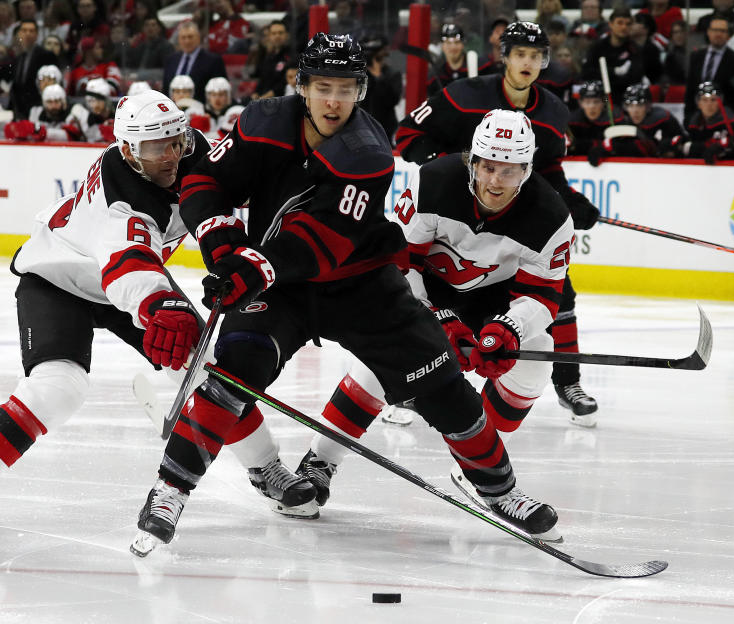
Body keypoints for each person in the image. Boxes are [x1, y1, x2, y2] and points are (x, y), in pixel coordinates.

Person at [130, 34, 562, 556]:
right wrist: (223, 245)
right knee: (234, 370)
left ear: (360, 92)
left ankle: (500, 490)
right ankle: (169, 491)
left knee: (444, 383)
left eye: (345, 89)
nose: (333, 101)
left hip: (359, 283)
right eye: (322, 87)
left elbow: (327, 240)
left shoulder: (368, 151)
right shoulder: (262, 121)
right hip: (279, 287)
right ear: (303, 87)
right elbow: (206, 182)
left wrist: (256, 264)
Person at [0, 90, 211, 534]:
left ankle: (267, 469)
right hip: (60, 277)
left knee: (213, 371)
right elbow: (126, 264)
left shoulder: (194, 157)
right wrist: (159, 305)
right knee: (59, 387)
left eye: (176, 140)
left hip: (121, 280)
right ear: (129, 150)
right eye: (155, 146)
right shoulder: (122, 196)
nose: (170, 154)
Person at [292, 109, 573, 529]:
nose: (496, 181)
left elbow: (543, 296)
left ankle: (477, 467)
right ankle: (319, 461)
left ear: (528, 169)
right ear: (471, 161)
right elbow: (399, 264)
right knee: (381, 357)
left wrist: (507, 329)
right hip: (420, 293)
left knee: (538, 354)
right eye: (488, 166)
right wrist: (438, 318)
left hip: (492, 306)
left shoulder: (551, 217)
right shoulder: (431, 182)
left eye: (511, 171)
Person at [395, 22, 600, 427]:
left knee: (560, 295)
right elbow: (407, 135)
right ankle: (408, 382)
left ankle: (567, 381)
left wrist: (569, 200)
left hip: (512, 211)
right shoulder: (462, 94)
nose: (527, 62)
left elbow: (549, 169)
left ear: (543, 62)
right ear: (504, 56)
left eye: (535, 56)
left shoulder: (554, 111)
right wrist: (458, 171)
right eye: (519, 54)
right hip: (455, 213)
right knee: (415, 293)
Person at [685, 16, 734, 122]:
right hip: (697, 115)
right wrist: (688, 115)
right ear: (708, 32)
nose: (718, 34)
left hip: (725, 116)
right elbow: (690, 88)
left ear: (728, 35)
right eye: (715, 30)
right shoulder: (696, 56)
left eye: (723, 31)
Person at [581, 6, 645, 102]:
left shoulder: (635, 49)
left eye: (628, 24)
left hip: (626, 98)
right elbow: (586, 73)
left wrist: (607, 76)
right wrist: (614, 71)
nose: (624, 27)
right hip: (602, 98)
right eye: (620, 23)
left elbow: (635, 78)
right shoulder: (598, 47)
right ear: (610, 24)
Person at [162, 22, 227, 104]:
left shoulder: (213, 61)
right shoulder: (170, 60)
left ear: (198, 38)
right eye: (183, 37)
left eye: (190, 37)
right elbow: (165, 89)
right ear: (179, 40)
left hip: (201, 110)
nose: (187, 41)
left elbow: (221, 89)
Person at [9, 19, 60, 119]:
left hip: (40, 107)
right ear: (19, 34)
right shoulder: (19, 58)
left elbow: (52, 83)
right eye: (24, 30)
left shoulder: (47, 55)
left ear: (37, 35)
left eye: (31, 31)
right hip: (20, 110)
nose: (28, 34)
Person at [5, 83, 88, 142]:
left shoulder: (73, 112)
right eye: (50, 102)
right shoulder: (36, 113)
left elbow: (70, 137)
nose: (53, 105)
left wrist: (42, 132)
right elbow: (31, 136)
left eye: (57, 101)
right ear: (44, 103)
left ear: (63, 102)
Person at [569, 80, 624, 163]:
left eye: (596, 102)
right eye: (587, 102)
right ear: (581, 103)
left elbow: (621, 146)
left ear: (603, 103)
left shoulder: (615, 119)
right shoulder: (572, 121)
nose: (592, 106)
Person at [685, 81, 734, 164]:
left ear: (720, 102)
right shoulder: (693, 123)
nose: (709, 104)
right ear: (698, 103)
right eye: (704, 100)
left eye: (713, 100)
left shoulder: (730, 121)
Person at [428, 23, 468, 96]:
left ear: (463, 45)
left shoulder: (479, 68)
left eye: (457, 42)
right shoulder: (435, 76)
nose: (453, 47)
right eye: (448, 43)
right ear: (442, 46)